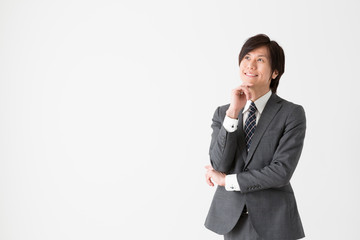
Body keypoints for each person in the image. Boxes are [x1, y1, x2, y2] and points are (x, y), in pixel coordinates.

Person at [204, 34, 306, 240]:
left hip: (275, 221)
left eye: (260, 60)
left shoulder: (291, 113)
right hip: (232, 221)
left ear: (275, 72)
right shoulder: (222, 113)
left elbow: (281, 171)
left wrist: (227, 181)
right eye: (247, 57)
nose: (251, 65)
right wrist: (233, 112)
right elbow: (219, 163)